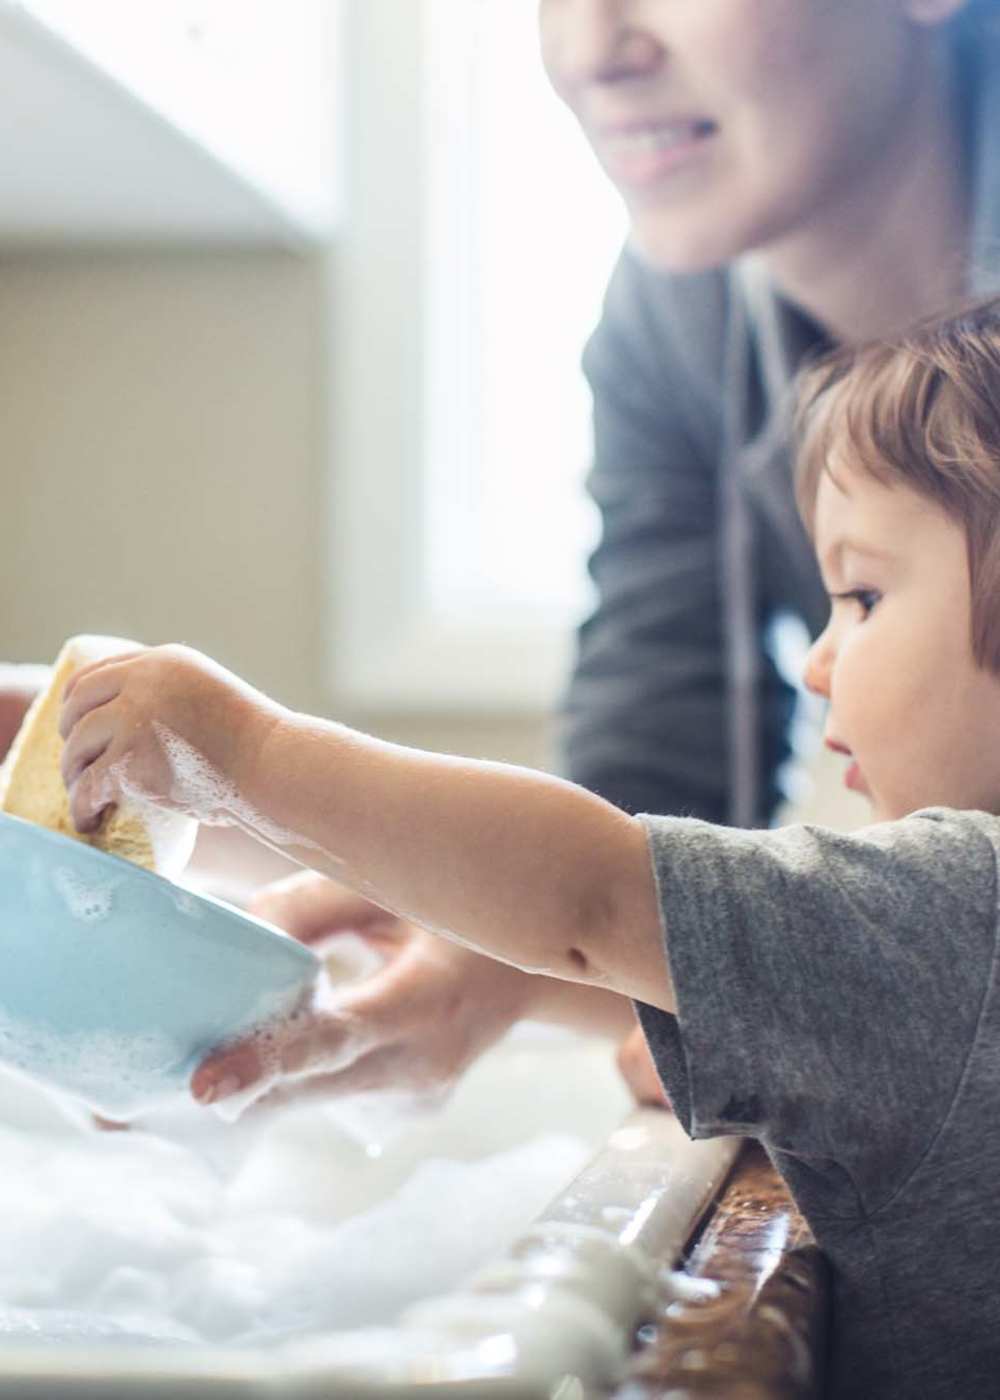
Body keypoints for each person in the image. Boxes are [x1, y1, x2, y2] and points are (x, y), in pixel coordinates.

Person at [6, 0, 1000, 1107]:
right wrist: (483, 939)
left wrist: (253, 753)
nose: (589, 49)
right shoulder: (672, 320)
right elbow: (641, 849)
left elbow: (604, 896)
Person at [56, 296, 1000, 1398]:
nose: (818, 661)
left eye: (864, 594)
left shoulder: (957, 903)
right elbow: (622, 947)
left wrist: (246, 749)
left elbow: (586, 896)